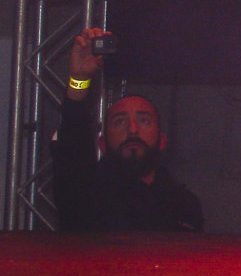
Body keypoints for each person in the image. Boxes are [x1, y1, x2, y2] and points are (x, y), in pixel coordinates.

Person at [54, 28, 205, 232]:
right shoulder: (86, 196)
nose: (132, 129)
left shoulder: (183, 204)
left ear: (162, 140)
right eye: (119, 122)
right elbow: (74, 133)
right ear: (102, 143)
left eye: (144, 120)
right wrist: (79, 79)